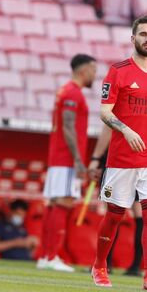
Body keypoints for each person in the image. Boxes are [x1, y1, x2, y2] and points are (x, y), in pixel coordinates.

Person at [89, 15, 147, 291]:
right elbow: (105, 112)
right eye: (143, 34)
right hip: (122, 159)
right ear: (133, 38)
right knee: (115, 215)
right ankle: (99, 266)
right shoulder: (118, 71)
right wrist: (126, 130)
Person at [38, 54, 97, 273]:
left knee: (54, 203)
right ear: (83, 70)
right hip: (66, 158)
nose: (94, 75)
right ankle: (51, 256)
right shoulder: (73, 93)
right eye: (93, 70)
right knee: (63, 202)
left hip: (59, 156)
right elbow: (68, 126)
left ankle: (46, 256)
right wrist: (78, 161)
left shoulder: (64, 90)